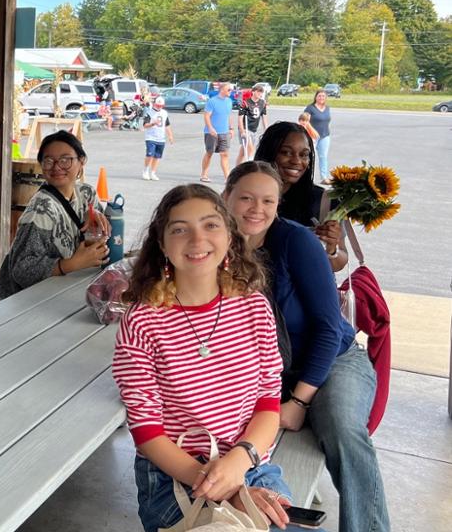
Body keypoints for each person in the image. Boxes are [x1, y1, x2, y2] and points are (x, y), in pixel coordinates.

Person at [223, 161, 390, 532]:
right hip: (267, 371)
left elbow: (330, 329)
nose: (257, 209)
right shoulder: (217, 244)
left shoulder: (296, 241)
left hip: (332, 362)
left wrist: (299, 401)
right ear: (226, 196)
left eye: (268, 200)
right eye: (246, 198)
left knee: (342, 428)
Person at [114, 184, 290, 532]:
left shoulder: (254, 307)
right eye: (179, 229)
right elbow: (147, 431)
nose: (197, 239)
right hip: (174, 475)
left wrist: (239, 464)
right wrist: (219, 486)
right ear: (162, 245)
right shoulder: (141, 321)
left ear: (229, 236)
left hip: (250, 461)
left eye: (210, 225)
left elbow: (268, 403)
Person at [0, 130, 110, 299]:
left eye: (65, 160)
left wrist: (96, 221)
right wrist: (69, 265)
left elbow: (102, 239)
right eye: (49, 161)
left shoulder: (87, 194)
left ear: (81, 161)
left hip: (64, 293)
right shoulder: (41, 210)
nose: (57, 167)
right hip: (28, 303)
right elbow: (22, 269)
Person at [255, 122, 348, 272]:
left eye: (304, 155)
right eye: (286, 152)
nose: (297, 161)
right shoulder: (244, 195)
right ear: (269, 152)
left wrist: (331, 248)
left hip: (302, 293)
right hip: (251, 291)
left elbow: (339, 263)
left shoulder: (324, 201)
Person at [200, 82, 235, 182]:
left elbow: (229, 115)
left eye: (231, 90)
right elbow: (206, 116)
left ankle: (227, 177)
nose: (230, 91)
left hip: (225, 132)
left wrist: (231, 128)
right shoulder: (212, 101)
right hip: (212, 132)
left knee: (225, 154)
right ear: (222, 90)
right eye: (229, 90)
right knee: (209, 153)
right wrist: (210, 128)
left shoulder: (229, 101)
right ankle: (204, 174)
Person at [141, 96, 174, 181]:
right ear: (154, 104)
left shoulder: (164, 113)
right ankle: (145, 171)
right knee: (150, 154)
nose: (159, 107)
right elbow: (145, 125)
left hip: (161, 138)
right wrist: (153, 123)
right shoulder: (149, 112)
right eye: (157, 105)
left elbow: (167, 125)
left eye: (161, 106)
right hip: (150, 137)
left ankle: (153, 172)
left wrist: (170, 135)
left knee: (157, 156)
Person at [304, 89, 332, 185]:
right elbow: (304, 121)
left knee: (323, 157)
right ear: (316, 97)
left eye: (323, 96)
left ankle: (324, 177)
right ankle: (307, 177)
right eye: (319, 96)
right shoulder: (310, 108)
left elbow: (328, 120)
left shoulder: (327, 108)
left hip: (325, 136)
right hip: (312, 136)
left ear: (326, 98)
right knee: (310, 156)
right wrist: (312, 131)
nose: (321, 98)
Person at [237, 84, 269, 163]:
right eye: (258, 92)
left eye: (261, 92)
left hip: (254, 130)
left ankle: (236, 169)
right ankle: (248, 166)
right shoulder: (246, 103)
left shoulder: (262, 103)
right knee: (251, 149)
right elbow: (240, 119)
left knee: (243, 152)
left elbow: (264, 117)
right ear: (253, 92)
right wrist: (242, 131)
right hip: (246, 128)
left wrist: (267, 130)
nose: (260, 94)